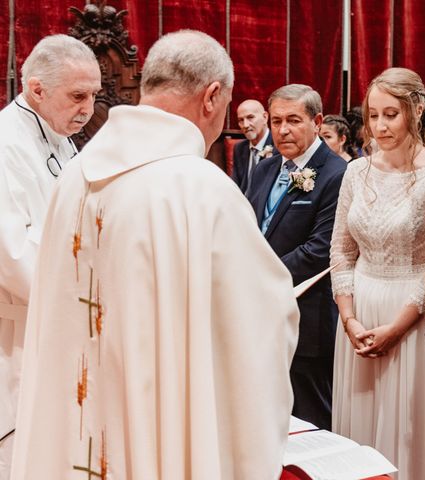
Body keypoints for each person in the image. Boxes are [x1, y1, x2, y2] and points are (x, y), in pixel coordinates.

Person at [10, 30, 299, 479]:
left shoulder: (76, 175)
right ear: (212, 97)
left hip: (84, 419)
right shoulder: (200, 189)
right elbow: (257, 329)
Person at [330, 67, 425, 480]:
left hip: (411, 317)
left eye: (391, 114)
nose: (380, 126)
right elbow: (341, 249)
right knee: (360, 429)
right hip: (357, 312)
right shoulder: (356, 171)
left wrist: (395, 328)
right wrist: (349, 318)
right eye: (373, 115)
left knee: (405, 431)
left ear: (416, 110)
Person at [0, 34, 101, 479]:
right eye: (78, 95)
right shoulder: (6, 143)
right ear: (37, 89)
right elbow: (12, 251)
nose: (89, 108)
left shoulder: (60, 137)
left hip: (57, 319)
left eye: (94, 94)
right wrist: (86, 293)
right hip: (20, 328)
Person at [247, 84, 346, 430]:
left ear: (317, 121)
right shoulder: (264, 170)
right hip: (260, 316)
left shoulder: (337, 174)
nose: (282, 130)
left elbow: (320, 250)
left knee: (311, 423)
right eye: (276, 121)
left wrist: (258, 279)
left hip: (308, 319)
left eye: (293, 120)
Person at [231, 99, 278, 194]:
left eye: (250, 117)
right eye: (241, 120)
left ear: (265, 117)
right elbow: (236, 184)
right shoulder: (239, 148)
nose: (245, 125)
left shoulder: (278, 144)